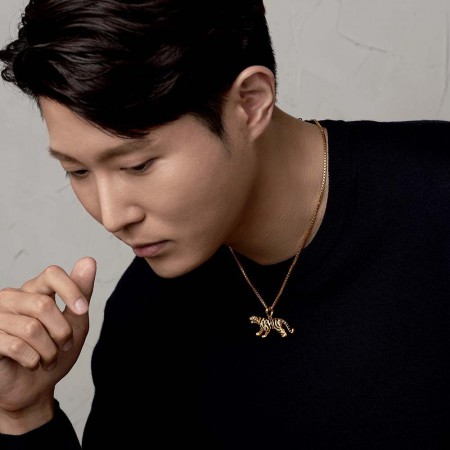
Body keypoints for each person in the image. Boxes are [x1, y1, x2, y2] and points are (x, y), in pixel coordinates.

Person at [0, 0, 449, 448]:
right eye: (77, 171)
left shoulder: (435, 198)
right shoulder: (145, 318)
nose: (112, 216)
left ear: (250, 104)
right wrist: (24, 413)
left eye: (138, 165)